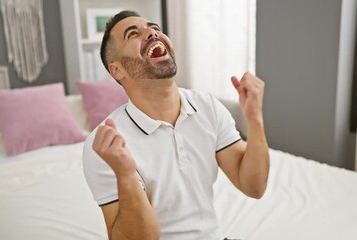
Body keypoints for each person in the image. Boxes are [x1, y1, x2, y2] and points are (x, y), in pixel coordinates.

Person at [82, 10, 270, 240]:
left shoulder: (207, 106)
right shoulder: (105, 145)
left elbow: (254, 186)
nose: (151, 32)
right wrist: (125, 173)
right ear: (117, 70)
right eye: (133, 34)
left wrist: (255, 120)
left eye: (155, 28)